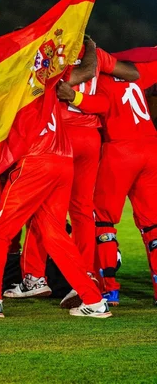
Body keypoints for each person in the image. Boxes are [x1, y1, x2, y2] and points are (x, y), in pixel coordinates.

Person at [0, 82, 112, 319]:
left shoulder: (12, 87)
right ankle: (94, 300)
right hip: (63, 160)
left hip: (36, 161)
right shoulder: (48, 83)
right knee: (54, 234)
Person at [5, 39, 138, 302]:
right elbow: (132, 74)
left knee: (43, 209)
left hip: (60, 137)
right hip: (91, 137)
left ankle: (34, 277)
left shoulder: (53, 52)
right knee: (82, 210)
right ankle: (85, 275)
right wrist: (96, 59)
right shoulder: (95, 54)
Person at [56, 60, 157, 306]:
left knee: (103, 220)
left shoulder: (97, 78)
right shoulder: (134, 75)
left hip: (120, 151)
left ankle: (109, 289)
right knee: (153, 225)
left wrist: (74, 98)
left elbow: (102, 104)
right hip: (151, 147)